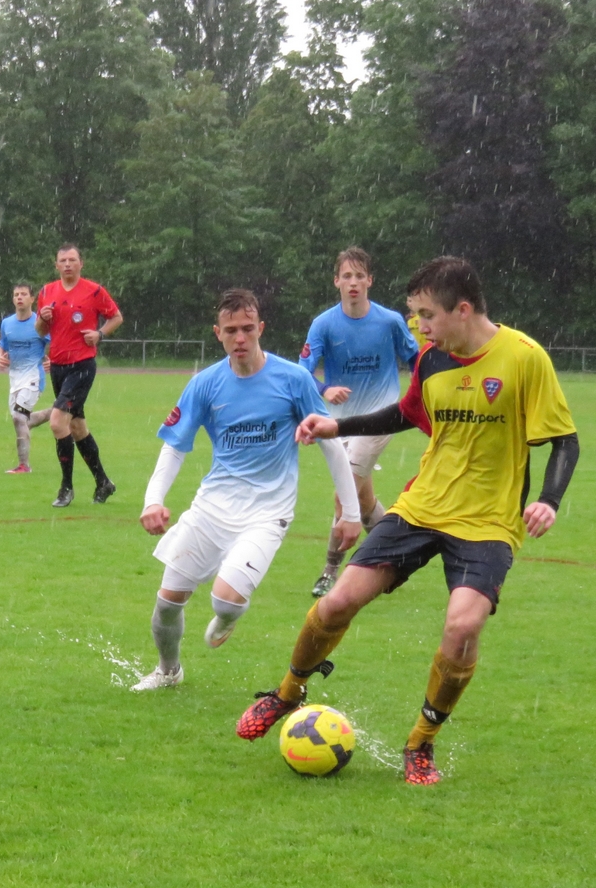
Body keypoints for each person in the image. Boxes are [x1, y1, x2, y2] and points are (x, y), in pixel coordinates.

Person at [236, 257, 578, 786]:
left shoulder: (525, 358)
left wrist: (550, 500)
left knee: (463, 626)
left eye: (426, 315)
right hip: (422, 506)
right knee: (337, 601)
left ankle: (421, 742)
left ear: (462, 310)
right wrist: (335, 426)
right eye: (415, 315)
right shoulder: (432, 360)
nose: (418, 326)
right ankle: (286, 693)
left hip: (488, 521)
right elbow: (406, 413)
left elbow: (565, 440)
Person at [132, 289, 361, 691]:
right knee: (167, 604)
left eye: (248, 329)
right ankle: (168, 671)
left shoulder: (293, 379)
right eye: (231, 330)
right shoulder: (204, 384)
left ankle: (226, 617)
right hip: (212, 508)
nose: (240, 338)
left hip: (267, 513)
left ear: (261, 329)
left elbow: (330, 442)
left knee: (224, 600)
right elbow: (174, 447)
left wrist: (352, 513)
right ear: (217, 333)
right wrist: (154, 499)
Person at [300, 247, 421, 597]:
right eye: (346, 276)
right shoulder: (323, 324)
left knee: (345, 494)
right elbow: (303, 371)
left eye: (359, 276)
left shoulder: (389, 321)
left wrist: (421, 395)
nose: (353, 283)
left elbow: (416, 360)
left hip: (381, 418)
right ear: (337, 281)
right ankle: (397, 556)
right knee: (364, 499)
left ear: (370, 280)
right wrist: (325, 388)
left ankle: (330, 570)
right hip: (339, 424)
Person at [36, 244, 123, 506]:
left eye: (72, 259)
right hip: (58, 366)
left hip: (82, 366)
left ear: (80, 263)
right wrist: (42, 317)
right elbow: (40, 330)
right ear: (56, 265)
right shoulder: (47, 292)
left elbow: (116, 317)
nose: (67, 264)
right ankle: (103, 482)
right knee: (76, 427)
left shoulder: (94, 291)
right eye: (62, 260)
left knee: (56, 423)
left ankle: (66, 488)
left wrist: (100, 334)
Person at [0, 283, 52, 473]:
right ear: (13, 299)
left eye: (23, 294)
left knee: (20, 417)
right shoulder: (7, 323)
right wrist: (0, 357)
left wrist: (51, 359)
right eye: (16, 294)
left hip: (33, 378)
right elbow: (3, 345)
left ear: (32, 299)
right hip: (15, 379)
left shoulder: (40, 323)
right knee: (21, 421)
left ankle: (24, 466)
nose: (19, 297)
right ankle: (57, 412)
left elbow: (54, 344)